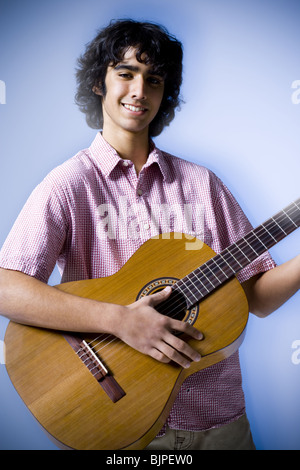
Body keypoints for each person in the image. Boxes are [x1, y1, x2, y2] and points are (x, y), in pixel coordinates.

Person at [0, 19, 299, 450]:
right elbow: (7, 288)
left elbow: (258, 297)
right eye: (125, 73)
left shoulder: (202, 184)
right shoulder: (68, 185)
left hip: (217, 426)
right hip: (115, 423)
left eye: (154, 79)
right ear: (100, 84)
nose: (140, 90)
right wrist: (119, 321)